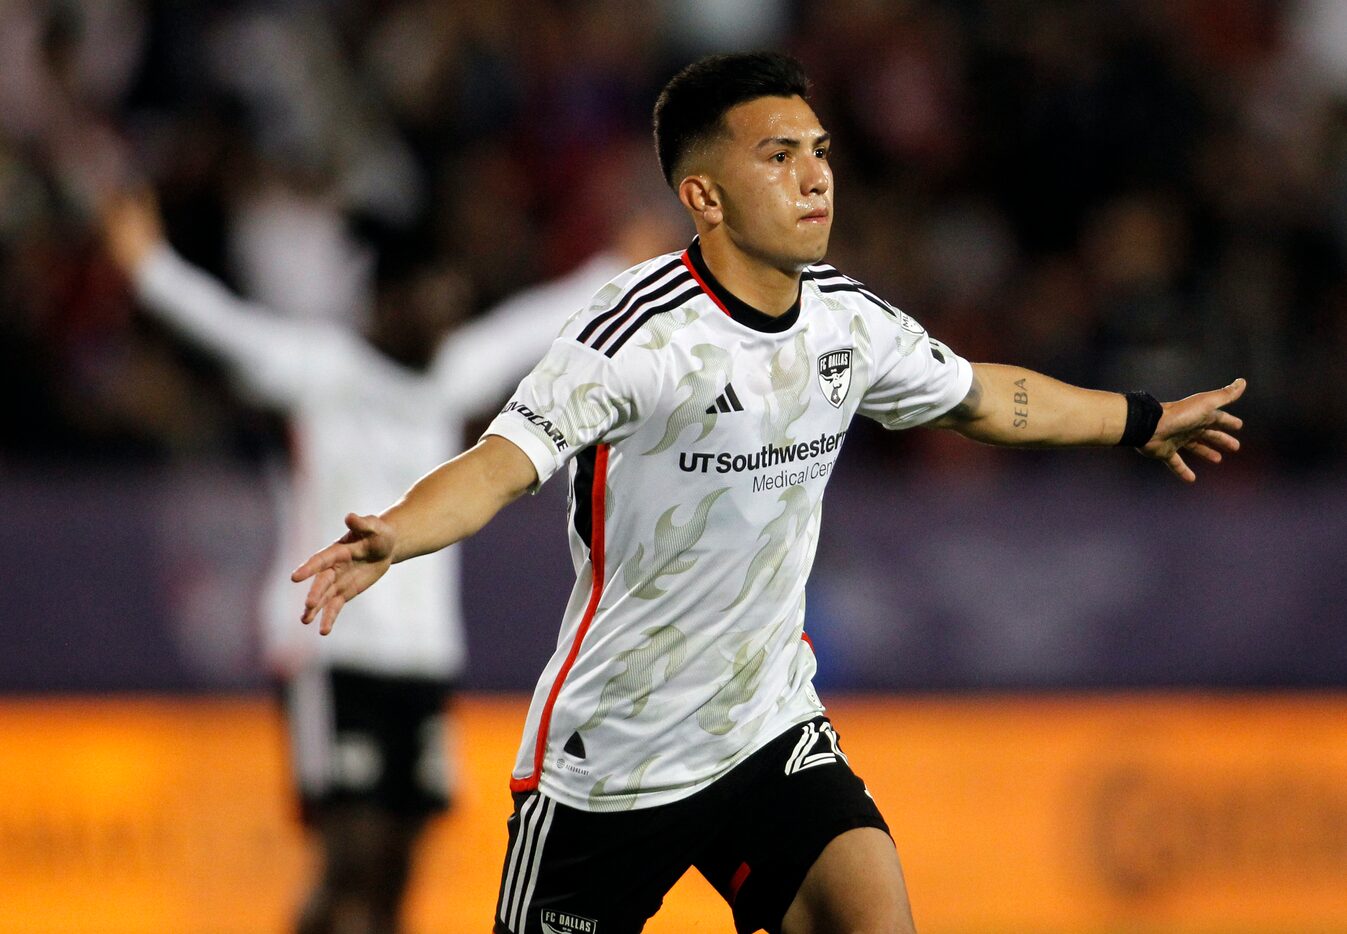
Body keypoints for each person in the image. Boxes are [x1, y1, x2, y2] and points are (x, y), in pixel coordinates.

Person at [292, 51, 1246, 934]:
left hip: (765, 725)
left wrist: (1141, 419)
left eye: (820, 152)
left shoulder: (846, 323)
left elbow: (987, 400)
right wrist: (397, 534)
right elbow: (499, 465)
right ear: (702, 194)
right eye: (779, 155)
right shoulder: (635, 337)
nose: (815, 176)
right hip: (614, 759)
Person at [101, 190, 675, 934]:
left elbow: (531, 327)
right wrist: (147, 265)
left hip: (422, 657)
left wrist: (615, 267)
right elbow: (224, 329)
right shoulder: (318, 369)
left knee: (399, 866)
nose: (449, 313)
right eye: (436, 296)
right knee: (351, 861)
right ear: (391, 300)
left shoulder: (448, 375)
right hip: (333, 651)